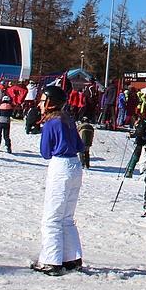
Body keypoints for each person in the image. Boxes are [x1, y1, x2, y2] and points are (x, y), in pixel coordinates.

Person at [30, 85, 85, 275]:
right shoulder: (68, 119)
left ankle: (51, 260)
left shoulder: (51, 123)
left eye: (42, 101)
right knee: (66, 217)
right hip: (75, 165)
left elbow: (45, 152)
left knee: (52, 217)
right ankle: (72, 258)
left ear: (50, 103)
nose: (40, 104)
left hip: (60, 166)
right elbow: (80, 145)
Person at [125, 114, 146, 178]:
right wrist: (132, 135)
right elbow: (138, 132)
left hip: (144, 142)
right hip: (142, 142)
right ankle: (129, 170)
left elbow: (140, 132)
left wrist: (132, 135)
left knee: (138, 156)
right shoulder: (142, 123)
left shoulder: (142, 122)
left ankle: (130, 170)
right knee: (136, 156)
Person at [0, 86, 15, 153]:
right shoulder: (10, 107)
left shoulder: (0, 106)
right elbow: (11, 114)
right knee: (6, 135)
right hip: (7, 122)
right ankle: (8, 147)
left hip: (0, 121)